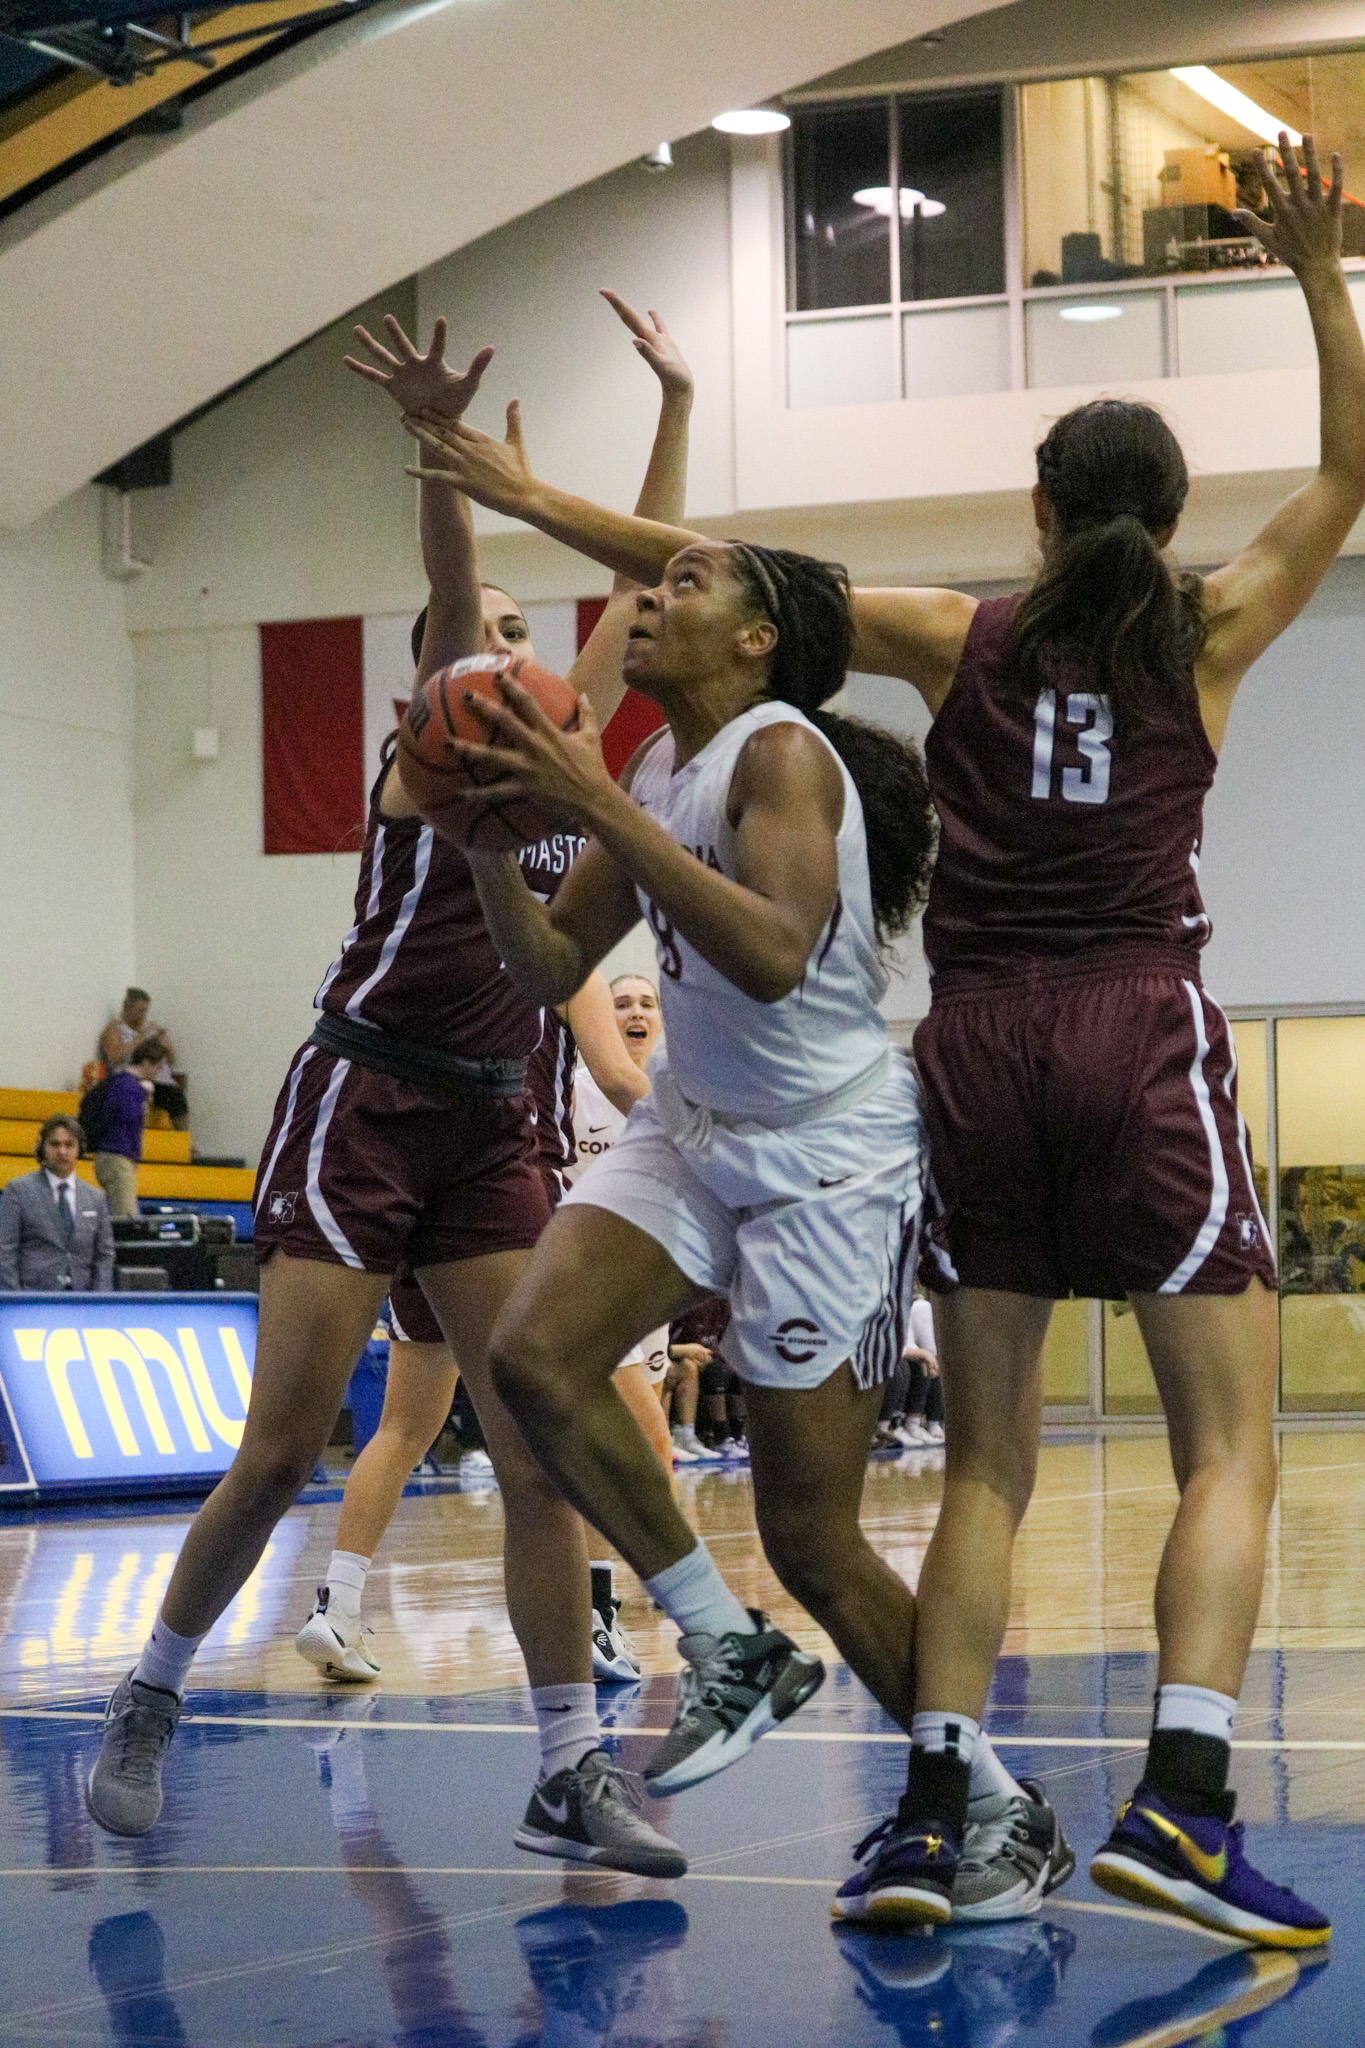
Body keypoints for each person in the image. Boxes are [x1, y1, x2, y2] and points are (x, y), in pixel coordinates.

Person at [85, 292, 694, 1885]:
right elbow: (446, 586)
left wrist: (681, 403)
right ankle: (147, 1697)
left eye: (516, 634)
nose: (503, 647)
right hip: (363, 1099)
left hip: (494, 1114)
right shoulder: (438, 739)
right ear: (428, 689)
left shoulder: (565, 755)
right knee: (282, 1447)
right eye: (482, 633)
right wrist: (437, 447)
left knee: (536, 1442)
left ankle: (570, 1766)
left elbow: (646, 578)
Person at [405, 515, 1037, 1863]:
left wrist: (589, 804)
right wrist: (478, 829)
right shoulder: (650, 757)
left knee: (811, 1533)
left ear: (757, 639)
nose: (654, 594)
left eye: (689, 580)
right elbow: (546, 961)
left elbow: (767, 953)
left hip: (827, 1161)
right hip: (692, 1124)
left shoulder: (781, 753)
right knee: (534, 1354)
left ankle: (987, 1800)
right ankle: (720, 1639)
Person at [293, 962, 649, 1686]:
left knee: (403, 1428)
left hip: (417, 1199)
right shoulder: (558, 955)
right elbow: (615, 1074)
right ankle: (597, 1618)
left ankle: (338, 1603)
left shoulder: (437, 956)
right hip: (503, 1214)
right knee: (580, 1428)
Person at [0, 1115, 114, 1291]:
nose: (62, 1151)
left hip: (83, 1303)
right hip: (32, 1302)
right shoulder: (17, 1191)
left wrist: (100, 1302)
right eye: (55, 1144)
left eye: (69, 1145)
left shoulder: (96, 1198)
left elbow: (104, 1256)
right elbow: (4, 1251)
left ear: (79, 1149)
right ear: (42, 1148)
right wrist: (16, 1301)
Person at [84, 1042, 163, 1220]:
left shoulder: (123, 1084)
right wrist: (143, 1097)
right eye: (157, 1066)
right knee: (127, 1219)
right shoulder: (128, 1087)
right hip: (117, 1156)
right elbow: (127, 1118)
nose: (158, 1072)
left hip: (114, 1155)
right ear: (146, 1062)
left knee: (116, 1218)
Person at [100, 989, 188, 1130]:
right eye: (140, 1011)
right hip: (131, 1080)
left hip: (160, 1080)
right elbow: (113, 1057)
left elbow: (172, 1060)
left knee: (175, 1094)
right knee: (171, 1094)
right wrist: (139, 1038)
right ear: (127, 1007)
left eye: (146, 1011)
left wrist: (166, 1046)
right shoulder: (115, 1029)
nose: (143, 1015)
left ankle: (184, 1140)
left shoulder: (153, 1028)